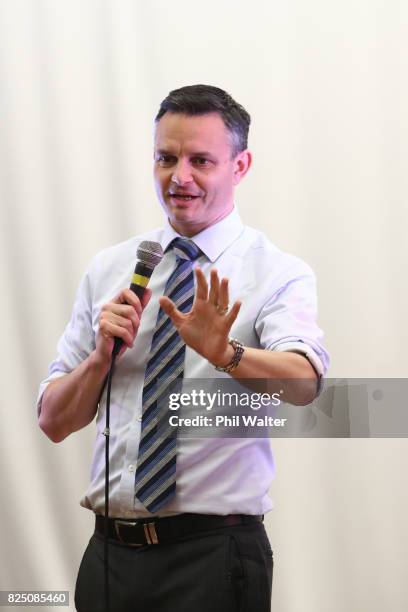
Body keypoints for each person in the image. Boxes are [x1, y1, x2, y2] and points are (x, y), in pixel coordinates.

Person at [37, 84, 329, 612]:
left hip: (213, 557)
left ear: (240, 166)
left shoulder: (276, 271)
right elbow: (54, 422)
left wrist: (227, 354)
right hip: (109, 556)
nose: (180, 177)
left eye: (201, 160)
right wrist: (100, 359)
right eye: (166, 158)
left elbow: (305, 384)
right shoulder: (112, 268)